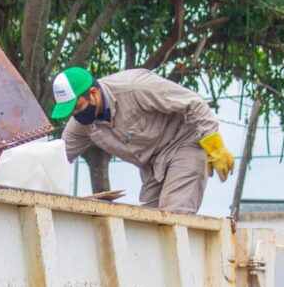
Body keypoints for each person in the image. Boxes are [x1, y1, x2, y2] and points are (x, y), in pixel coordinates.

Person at [50, 66, 235, 214]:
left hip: (183, 143)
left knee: (174, 217)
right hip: (152, 167)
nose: (76, 115)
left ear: (93, 93)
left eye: (78, 107)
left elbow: (193, 103)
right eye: (71, 112)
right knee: (148, 224)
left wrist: (214, 145)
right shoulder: (82, 124)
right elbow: (57, 158)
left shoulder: (135, 87)